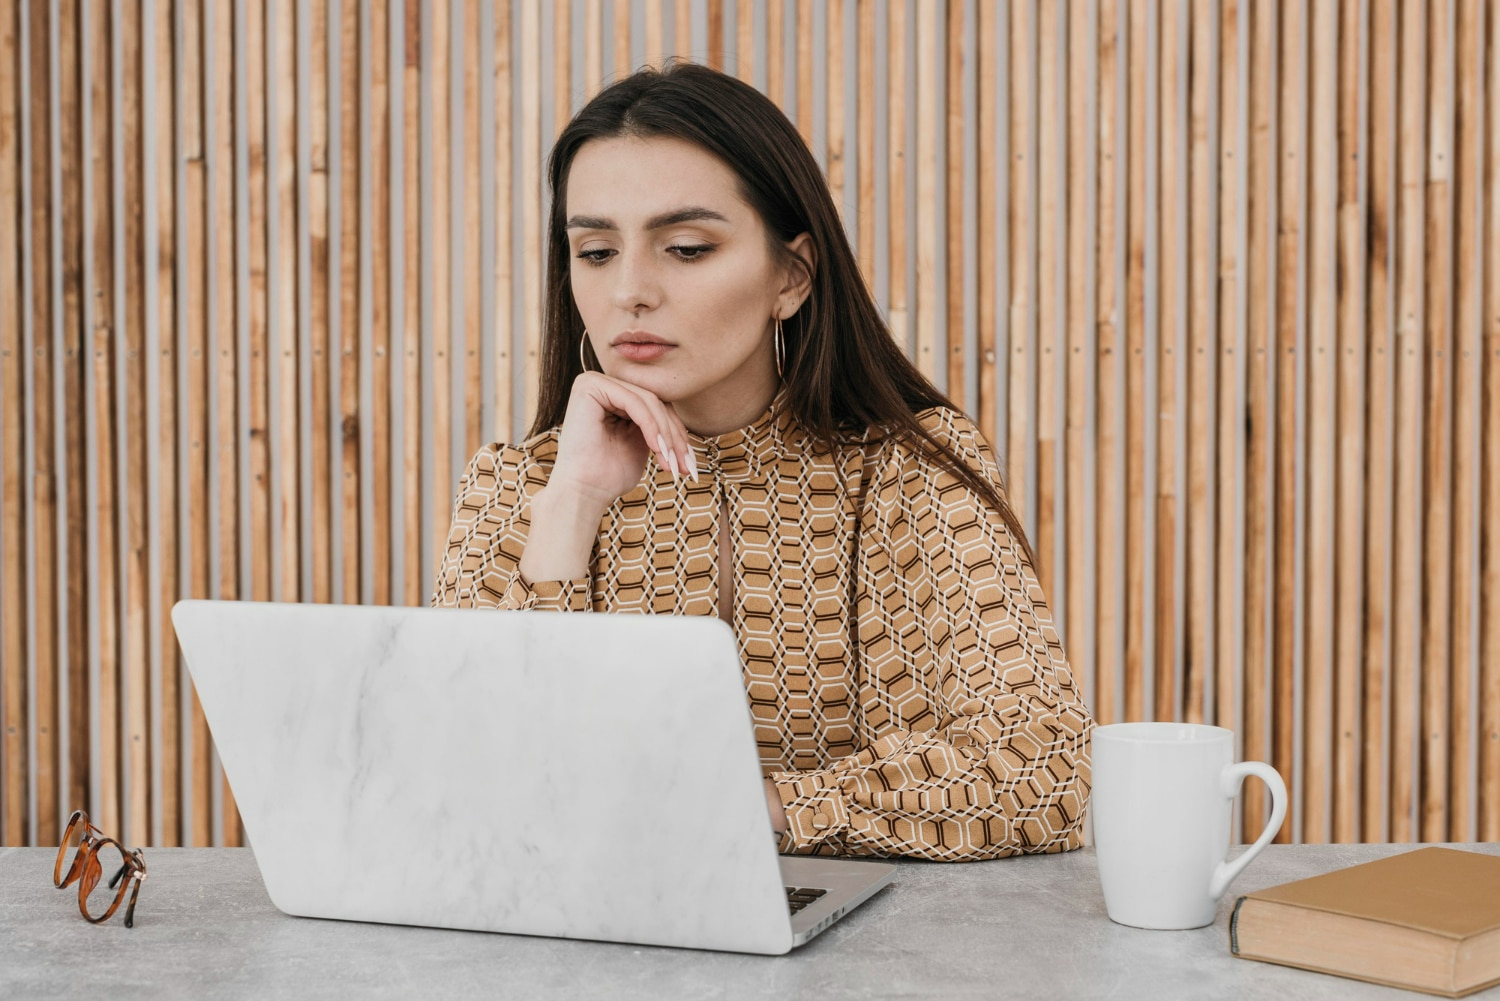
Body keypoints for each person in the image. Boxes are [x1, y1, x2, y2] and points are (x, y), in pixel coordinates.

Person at [433, 62, 1092, 862]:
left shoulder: (905, 471)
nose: (630, 291)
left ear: (791, 275)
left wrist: (746, 805)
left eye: (684, 247)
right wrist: (571, 504)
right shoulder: (516, 485)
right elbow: (460, 785)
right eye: (597, 252)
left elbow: (1045, 765)